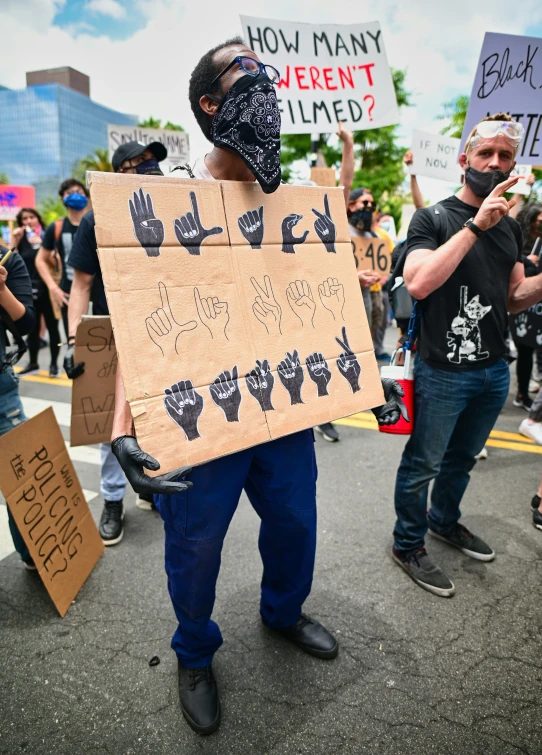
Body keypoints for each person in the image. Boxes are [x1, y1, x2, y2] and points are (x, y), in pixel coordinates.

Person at [109, 37, 404, 736]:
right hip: (200, 417)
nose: (266, 82)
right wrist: (123, 424)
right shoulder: (166, 192)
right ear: (211, 104)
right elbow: (135, 322)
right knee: (196, 544)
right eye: (247, 72)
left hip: (282, 409)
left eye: (268, 71)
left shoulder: (296, 199)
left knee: (296, 520)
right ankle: (193, 650)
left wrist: (364, 374)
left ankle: (283, 611)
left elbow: (323, 298)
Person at [391, 113, 542, 598]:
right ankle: (407, 543)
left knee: (461, 462)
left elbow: (514, 295)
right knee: (424, 464)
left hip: (494, 372)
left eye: (505, 156)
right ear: (464, 161)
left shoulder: (512, 231)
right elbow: (418, 282)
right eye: (486, 154)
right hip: (442, 372)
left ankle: (444, 521)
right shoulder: (433, 218)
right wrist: (477, 225)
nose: (496, 164)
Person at [64, 140, 168, 546]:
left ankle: (150, 484)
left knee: (158, 413)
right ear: (118, 173)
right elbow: (81, 283)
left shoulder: (171, 202)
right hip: (113, 330)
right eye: (136, 162)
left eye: (150, 159)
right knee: (114, 424)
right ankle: (112, 501)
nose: (147, 166)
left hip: (163, 325)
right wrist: (77, 339)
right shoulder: (96, 220)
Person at [0, 245, 36, 567]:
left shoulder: (6, 258)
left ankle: (33, 553)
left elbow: (27, 323)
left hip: (1, 393)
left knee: (19, 477)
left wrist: (1, 290)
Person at [35, 178, 90, 356]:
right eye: (69, 193)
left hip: (98, 294)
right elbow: (40, 259)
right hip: (70, 293)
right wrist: (54, 288)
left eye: (79, 192)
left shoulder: (96, 223)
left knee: (102, 344)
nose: (75, 196)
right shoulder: (57, 227)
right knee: (76, 345)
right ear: (62, 199)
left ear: (87, 196)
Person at [12, 208, 61, 377]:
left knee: (53, 328)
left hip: (48, 289)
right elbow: (12, 262)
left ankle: (54, 365)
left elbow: (57, 263)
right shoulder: (21, 240)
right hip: (28, 290)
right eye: (24, 219)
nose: (28, 221)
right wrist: (15, 240)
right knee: (32, 329)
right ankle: (33, 363)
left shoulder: (47, 236)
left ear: (37, 218)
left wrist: (43, 244)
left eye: (31, 217)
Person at [347, 187, 391, 359]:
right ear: (351, 206)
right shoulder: (343, 230)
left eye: (372, 204)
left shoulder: (372, 235)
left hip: (369, 297)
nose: (369, 207)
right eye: (365, 202)